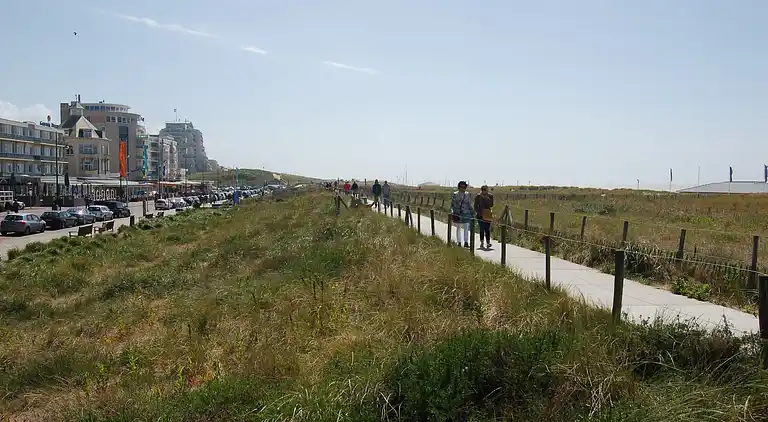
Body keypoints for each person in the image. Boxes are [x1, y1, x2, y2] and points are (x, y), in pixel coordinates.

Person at [451, 181, 473, 248]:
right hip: (458, 213)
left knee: (466, 228)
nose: (463, 188)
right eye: (461, 187)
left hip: (466, 213)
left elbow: (469, 204)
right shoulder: (455, 194)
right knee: (458, 228)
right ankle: (459, 242)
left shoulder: (467, 194)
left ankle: (466, 242)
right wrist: (454, 212)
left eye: (464, 187)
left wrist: (472, 212)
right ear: (459, 187)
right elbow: (453, 204)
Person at [474, 185, 494, 249]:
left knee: (487, 229)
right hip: (480, 214)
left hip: (487, 214)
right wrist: (478, 212)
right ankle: (482, 242)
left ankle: (488, 243)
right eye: (483, 189)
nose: (484, 191)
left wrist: (487, 198)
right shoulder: (478, 196)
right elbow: (475, 206)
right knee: (482, 228)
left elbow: (491, 205)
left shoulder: (490, 196)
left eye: (485, 189)